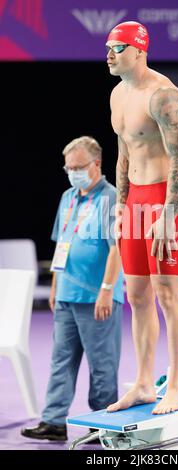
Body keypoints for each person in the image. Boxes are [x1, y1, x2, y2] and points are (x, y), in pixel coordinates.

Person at [106, 21, 178, 415]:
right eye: (108, 46)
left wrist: (169, 212)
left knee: (168, 295)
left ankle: (175, 386)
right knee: (137, 296)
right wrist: (122, 206)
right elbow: (125, 152)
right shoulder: (117, 95)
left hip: (164, 200)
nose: (109, 53)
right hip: (137, 200)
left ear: (140, 50)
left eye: (118, 47)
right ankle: (144, 383)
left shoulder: (163, 96)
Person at [21, 136, 124, 440]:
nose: (74, 172)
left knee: (102, 364)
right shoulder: (68, 197)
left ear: (97, 164)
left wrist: (107, 288)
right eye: (69, 168)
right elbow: (61, 244)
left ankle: (102, 424)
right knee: (60, 360)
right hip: (66, 294)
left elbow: (118, 248)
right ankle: (53, 421)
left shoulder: (111, 198)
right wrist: (55, 285)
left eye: (79, 167)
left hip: (97, 296)